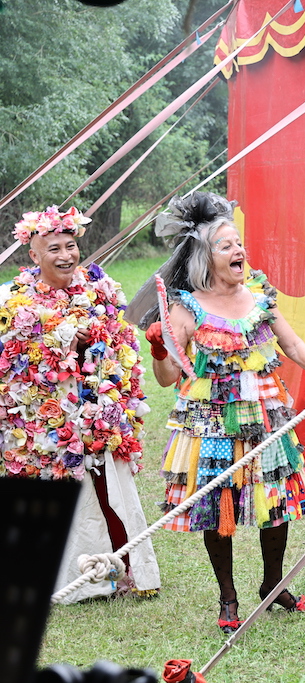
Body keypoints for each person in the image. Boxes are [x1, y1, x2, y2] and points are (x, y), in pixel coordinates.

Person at [135, 192, 305, 633]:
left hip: (266, 416)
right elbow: (168, 377)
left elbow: (289, 342)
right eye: (227, 246)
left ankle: (273, 586)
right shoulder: (187, 307)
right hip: (210, 423)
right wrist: (159, 347)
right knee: (218, 509)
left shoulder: (259, 295)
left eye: (239, 244)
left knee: (277, 504)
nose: (239, 252)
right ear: (204, 258)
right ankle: (227, 596)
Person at [0, 206, 161, 603]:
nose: (65, 255)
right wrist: (61, 345)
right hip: (47, 423)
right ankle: (67, 576)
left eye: (70, 246)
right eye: (53, 248)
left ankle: (126, 572)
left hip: (99, 414)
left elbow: (122, 346)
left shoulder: (99, 288)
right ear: (33, 255)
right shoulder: (16, 301)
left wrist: (97, 348)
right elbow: (16, 363)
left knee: (111, 491)